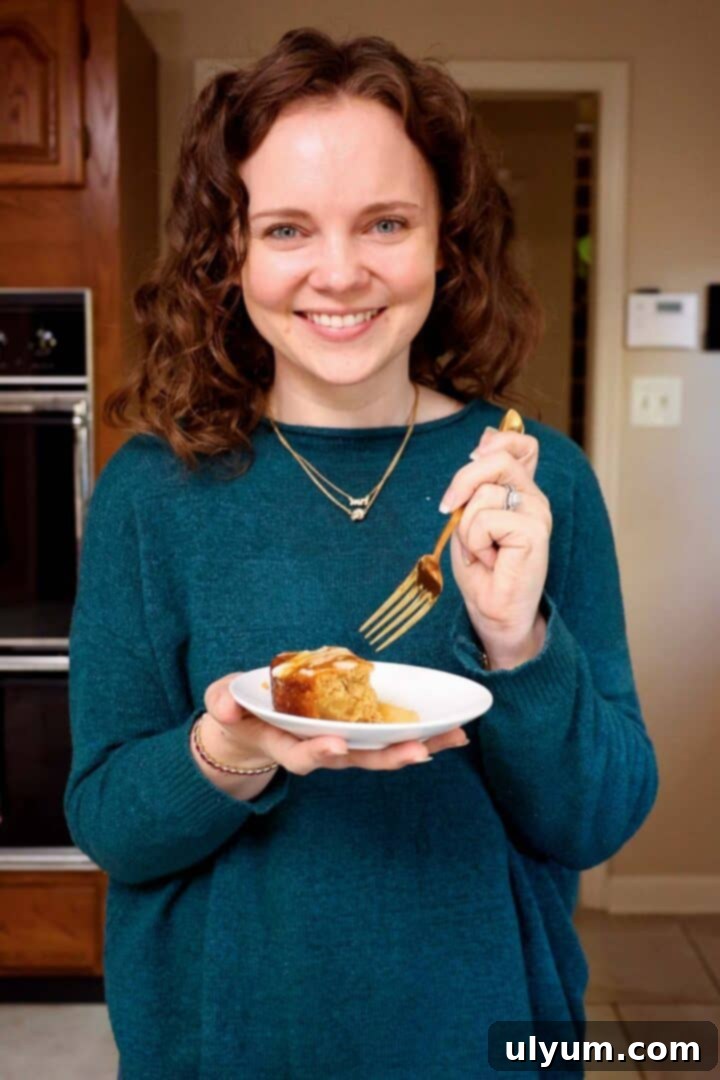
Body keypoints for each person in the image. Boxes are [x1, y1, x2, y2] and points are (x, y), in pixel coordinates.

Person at [64, 27, 658, 1080]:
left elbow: (595, 819)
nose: (338, 274)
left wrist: (517, 642)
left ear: (447, 240)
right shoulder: (152, 493)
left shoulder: (534, 479)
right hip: (230, 1043)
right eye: (288, 228)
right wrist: (235, 747)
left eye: (386, 221)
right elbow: (113, 825)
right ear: (230, 250)